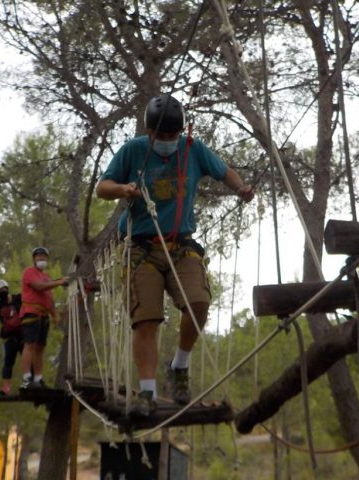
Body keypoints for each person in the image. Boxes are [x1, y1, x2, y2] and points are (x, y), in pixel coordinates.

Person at [95, 94, 255, 417]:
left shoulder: (192, 150)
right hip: (141, 247)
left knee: (199, 303)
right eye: (162, 136)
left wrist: (241, 189)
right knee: (146, 320)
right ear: (150, 131)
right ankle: (147, 393)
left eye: (174, 135)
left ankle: (179, 366)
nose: (168, 141)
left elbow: (225, 171)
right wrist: (123, 189)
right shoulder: (133, 150)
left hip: (181, 246)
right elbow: (102, 187)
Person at [18, 246, 69, 390]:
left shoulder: (46, 277)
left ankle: (38, 379)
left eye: (44, 257)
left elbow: (48, 298)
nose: (42, 259)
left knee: (40, 348)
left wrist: (54, 314)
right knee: (29, 345)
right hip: (31, 313)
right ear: (34, 259)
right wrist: (59, 282)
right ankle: (26, 378)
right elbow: (39, 287)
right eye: (39, 257)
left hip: (43, 315)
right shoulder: (29, 272)